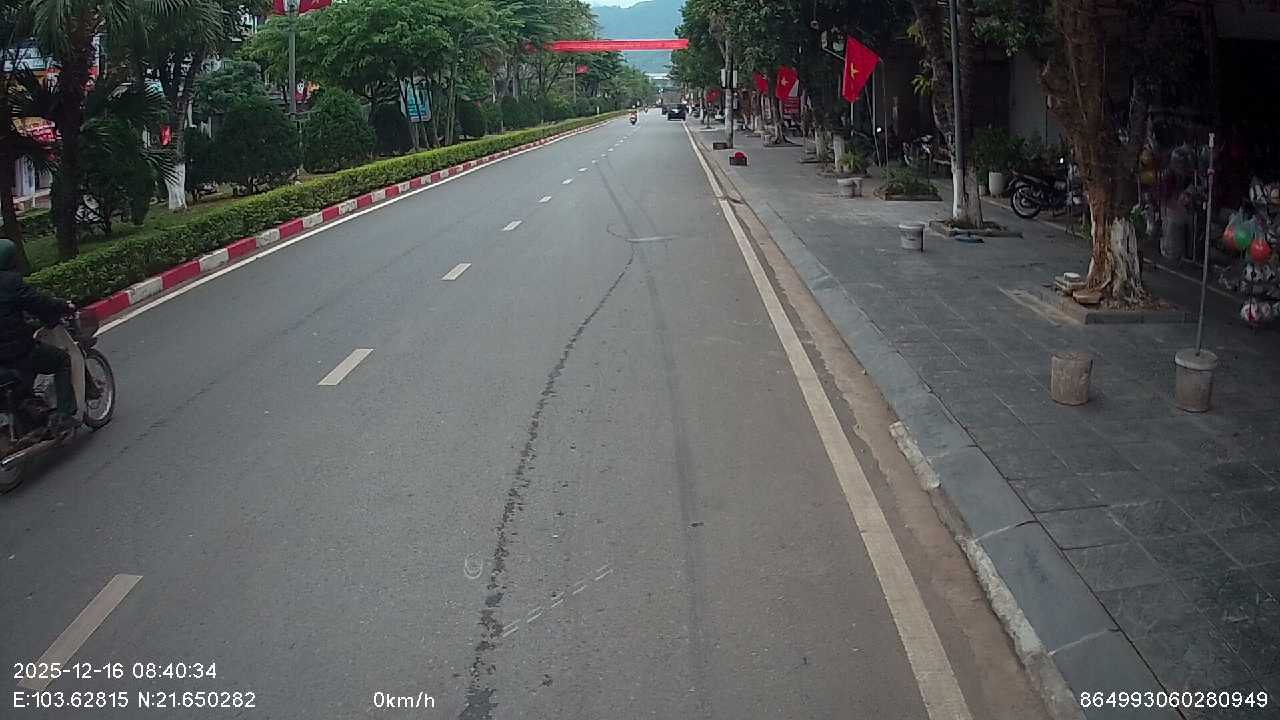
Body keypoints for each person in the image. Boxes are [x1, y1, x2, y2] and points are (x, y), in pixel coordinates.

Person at [0, 239, 77, 433]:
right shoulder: (10, 282)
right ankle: (64, 415)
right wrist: (63, 306)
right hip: (17, 353)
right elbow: (39, 303)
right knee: (62, 360)